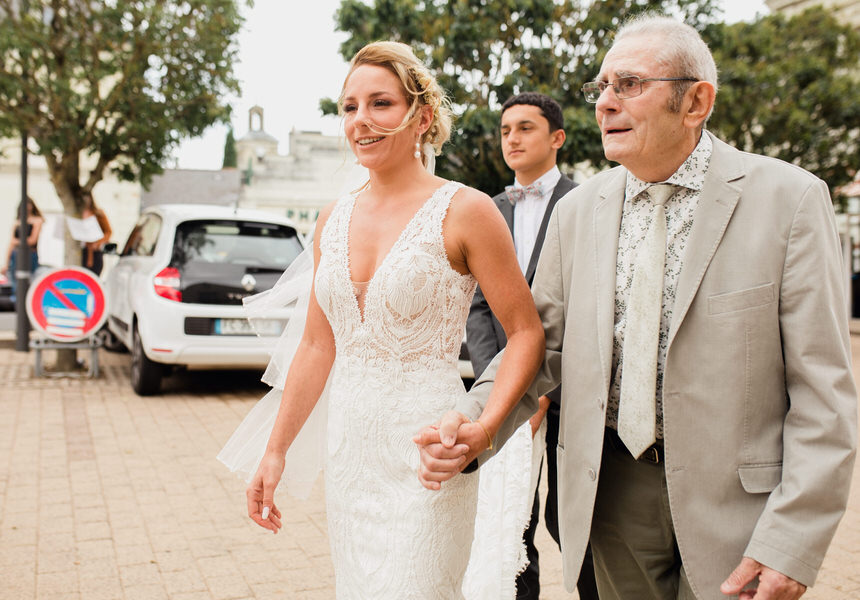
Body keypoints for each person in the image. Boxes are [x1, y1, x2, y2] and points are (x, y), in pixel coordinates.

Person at [418, 14, 857, 600]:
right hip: (610, 494)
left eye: (628, 84)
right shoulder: (578, 212)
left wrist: (791, 541)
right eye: (601, 87)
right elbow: (540, 345)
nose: (604, 103)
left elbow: (823, 393)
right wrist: (476, 422)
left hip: (740, 509)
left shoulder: (792, 199)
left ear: (696, 101)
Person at [219, 41, 544, 598]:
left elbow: (524, 333)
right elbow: (318, 348)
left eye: (380, 104)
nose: (360, 121)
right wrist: (275, 452)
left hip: (431, 455)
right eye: (349, 107)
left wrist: (484, 431)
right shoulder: (333, 217)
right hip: (351, 459)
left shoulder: (466, 210)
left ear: (420, 117)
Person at [463, 92, 597, 600]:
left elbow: (586, 311)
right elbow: (478, 307)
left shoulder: (587, 206)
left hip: (571, 397)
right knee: (511, 522)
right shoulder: (488, 209)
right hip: (501, 396)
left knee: (572, 522)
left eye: (525, 128)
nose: (512, 139)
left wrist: (543, 390)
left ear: (557, 138)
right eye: (505, 131)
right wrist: (502, 384)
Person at [1, 196, 44, 299]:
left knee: (31, 279)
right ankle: (19, 302)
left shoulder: (37, 221)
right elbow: (11, 243)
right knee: (16, 280)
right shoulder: (18, 222)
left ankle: (29, 301)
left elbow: (32, 240)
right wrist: (6, 264)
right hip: (16, 255)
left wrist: (18, 242)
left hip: (30, 254)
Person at [80, 191, 112, 276]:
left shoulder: (98, 214)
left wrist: (98, 243)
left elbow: (108, 232)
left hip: (95, 252)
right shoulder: (77, 213)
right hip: (82, 250)